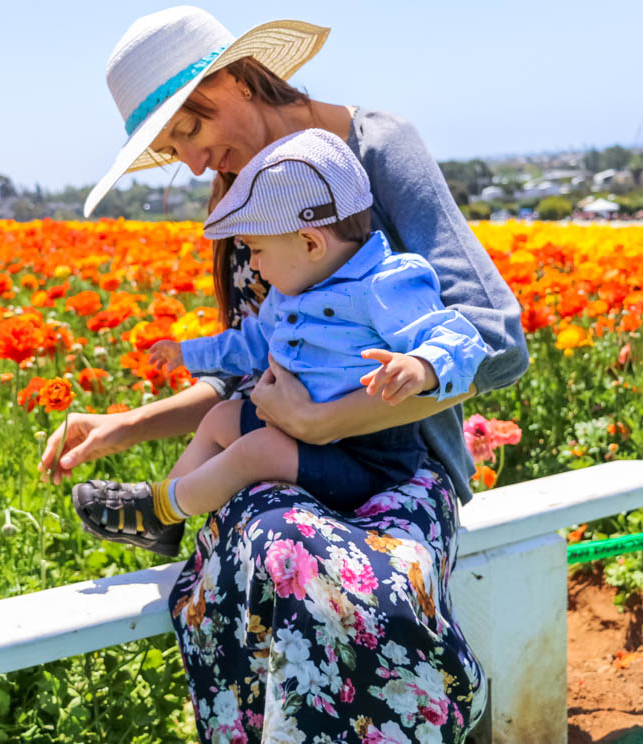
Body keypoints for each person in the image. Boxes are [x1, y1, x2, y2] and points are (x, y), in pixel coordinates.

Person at [39, 6, 529, 741]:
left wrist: (330, 421)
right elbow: (261, 370)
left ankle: (434, 705)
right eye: (175, 150)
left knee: (312, 571)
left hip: (394, 467)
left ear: (235, 76)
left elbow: (496, 340)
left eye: (193, 130)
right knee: (273, 556)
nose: (197, 163)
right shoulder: (246, 203)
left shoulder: (375, 149)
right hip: (278, 465)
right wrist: (129, 425)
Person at [70, 128, 489, 560]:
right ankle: (163, 520)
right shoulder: (290, 292)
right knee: (219, 419)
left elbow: (458, 337)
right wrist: (188, 353)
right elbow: (251, 342)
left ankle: (162, 502)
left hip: (366, 458)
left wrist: (422, 366)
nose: (252, 263)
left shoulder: (385, 282)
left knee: (256, 450)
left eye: (256, 250)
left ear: (309, 243)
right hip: (301, 437)